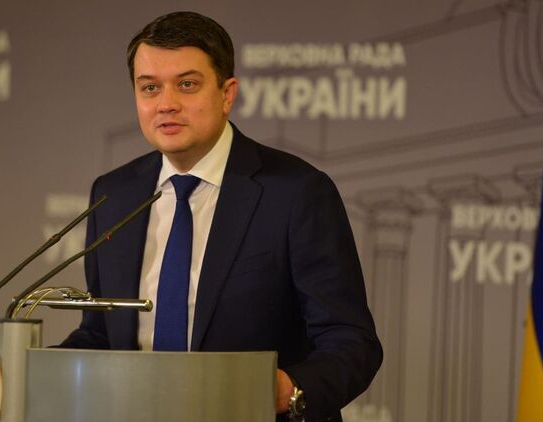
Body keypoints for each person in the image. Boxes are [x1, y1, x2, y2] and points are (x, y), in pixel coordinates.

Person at [60, 11, 382, 421]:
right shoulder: (113, 195)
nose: (166, 104)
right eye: (150, 87)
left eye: (187, 84)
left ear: (227, 94)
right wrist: (25, 370)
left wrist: (287, 391)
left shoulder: (296, 191)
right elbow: (100, 334)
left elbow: (350, 340)